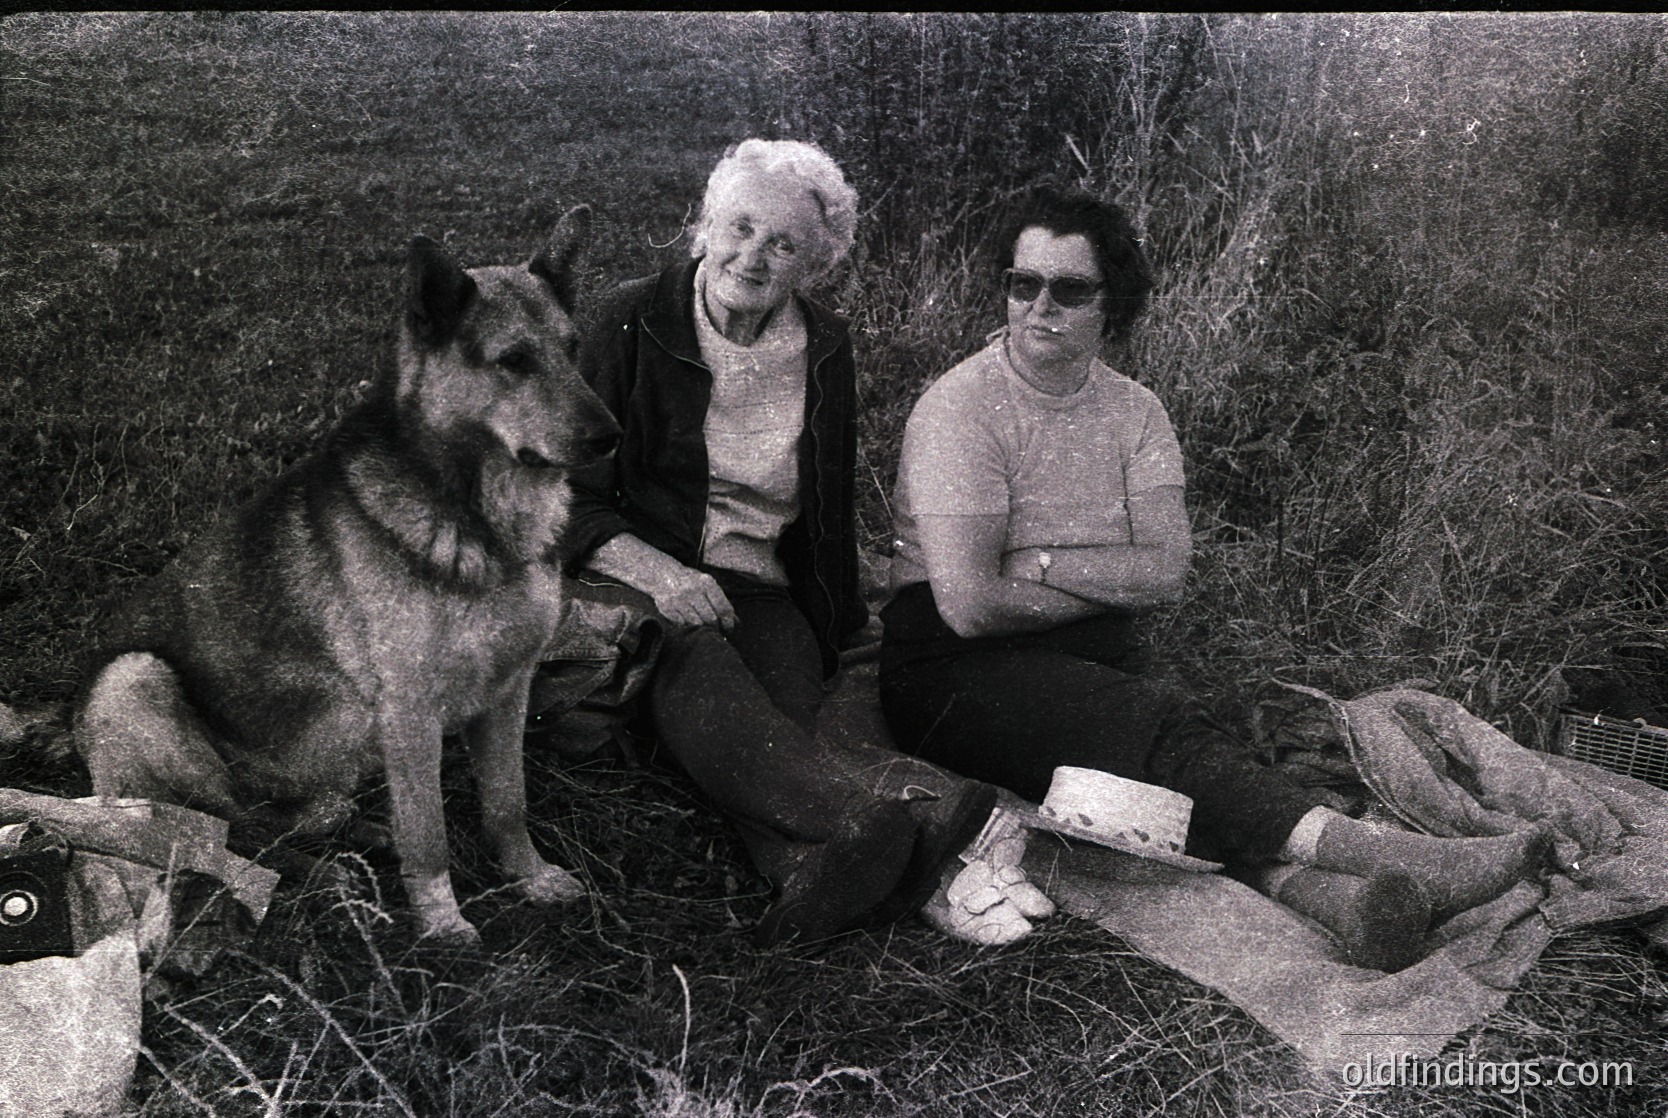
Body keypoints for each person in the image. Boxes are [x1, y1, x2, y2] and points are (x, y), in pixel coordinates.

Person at [877, 187, 1551, 969]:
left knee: (1170, 759)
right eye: (1022, 283)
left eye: (1069, 289)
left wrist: (1046, 563)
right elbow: (969, 606)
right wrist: (1097, 585)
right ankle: (1380, 855)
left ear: (1113, 306)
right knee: (1153, 729)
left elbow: (1165, 572)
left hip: (1081, 646)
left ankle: (1337, 901)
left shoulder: (1137, 414)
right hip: (948, 671)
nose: (1039, 307)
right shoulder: (962, 409)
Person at [563, 139, 1050, 947]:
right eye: (741, 226)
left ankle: (810, 874)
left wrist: (837, 625)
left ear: (813, 264)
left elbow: (824, 505)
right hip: (639, 575)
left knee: (786, 719)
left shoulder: (824, 344)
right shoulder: (629, 318)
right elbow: (566, 497)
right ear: (703, 227)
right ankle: (888, 823)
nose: (752, 256)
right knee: (697, 660)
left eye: (783, 243)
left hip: (758, 583)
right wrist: (660, 573)